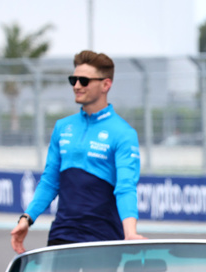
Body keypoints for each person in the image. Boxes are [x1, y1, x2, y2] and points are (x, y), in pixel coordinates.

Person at [11, 50, 144, 254]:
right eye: (73, 79)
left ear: (106, 85)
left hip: (103, 235)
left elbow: (126, 187)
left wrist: (130, 233)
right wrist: (26, 219)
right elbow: (49, 181)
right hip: (63, 232)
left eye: (84, 80)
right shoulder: (63, 127)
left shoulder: (123, 133)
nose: (76, 86)